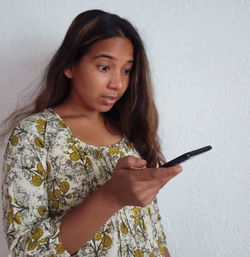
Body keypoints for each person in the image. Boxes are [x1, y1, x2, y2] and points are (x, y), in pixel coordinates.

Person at [1, 9, 183, 257]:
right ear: (69, 65)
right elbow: (25, 251)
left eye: (126, 70)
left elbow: (153, 232)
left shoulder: (128, 132)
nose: (117, 83)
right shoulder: (34, 135)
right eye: (105, 67)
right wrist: (111, 196)